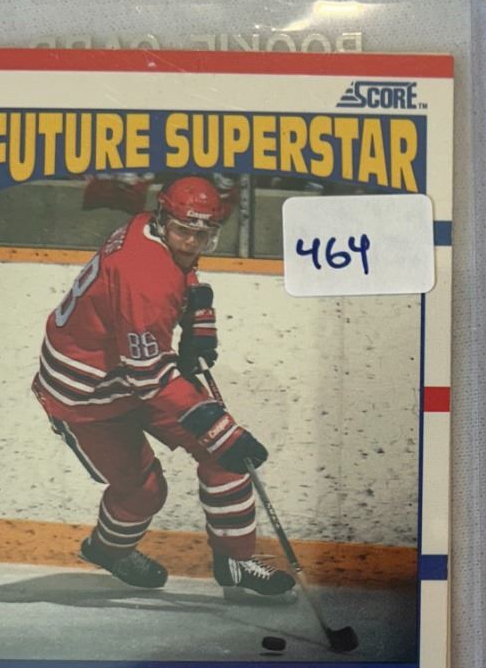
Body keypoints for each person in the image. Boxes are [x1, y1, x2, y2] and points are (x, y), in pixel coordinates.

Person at [32, 175, 294, 599]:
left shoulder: (147, 227)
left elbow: (182, 274)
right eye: (183, 231)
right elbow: (149, 375)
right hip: (86, 392)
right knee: (146, 490)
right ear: (162, 220)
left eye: (202, 235)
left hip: (129, 369)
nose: (191, 243)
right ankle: (108, 550)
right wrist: (218, 428)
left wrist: (198, 316)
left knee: (225, 457)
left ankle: (236, 562)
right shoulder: (144, 277)